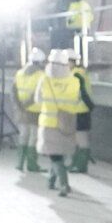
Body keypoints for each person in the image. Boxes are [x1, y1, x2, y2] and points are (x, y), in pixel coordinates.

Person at [37, 50, 82, 194]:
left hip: (49, 123)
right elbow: (78, 99)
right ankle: (51, 180)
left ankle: (64, 185)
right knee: (59, 154)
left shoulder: (45, 80)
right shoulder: (74, 80)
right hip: (67, 122)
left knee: (54, 155)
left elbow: (37, 100)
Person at [13, 48, 45, 174]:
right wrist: (27, 105)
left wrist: (20, 105)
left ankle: (19, 163)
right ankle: (32, 164)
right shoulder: (42, 75)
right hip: (35, 110)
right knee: (34, 137)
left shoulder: (19, 73)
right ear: (41, 62)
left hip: (21, 110)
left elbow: (14, 91)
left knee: (23, 135)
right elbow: (38, 94)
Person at [67, 51, 96, 173]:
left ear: (71, 61)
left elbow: (78, 94)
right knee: (77, 138)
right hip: (80, 110)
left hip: (80, 110)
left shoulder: (76, 75)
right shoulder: (78, 73)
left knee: (81, 139)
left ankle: (81, 165)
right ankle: (77, 163)